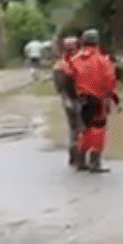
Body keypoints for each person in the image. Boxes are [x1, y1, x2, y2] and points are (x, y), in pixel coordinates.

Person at [67, 28, 120, 172]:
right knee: (98, 130)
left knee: (84, 130)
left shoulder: (73, 60)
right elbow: (110, 82)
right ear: (97, 43)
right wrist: (113, 97)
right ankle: (95, 162)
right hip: (98, 99)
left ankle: (81, 160)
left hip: (81, 100)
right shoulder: (103, 60)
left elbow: (68, 79)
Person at [52, 36, 82, 166]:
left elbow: (58, 85)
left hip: (76, 98)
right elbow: (59, 85)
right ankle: (77, 155)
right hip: (74, 98)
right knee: (78, 127)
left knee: (75, 128)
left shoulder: (61, 64)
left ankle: (75, 155)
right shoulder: (63, 64)